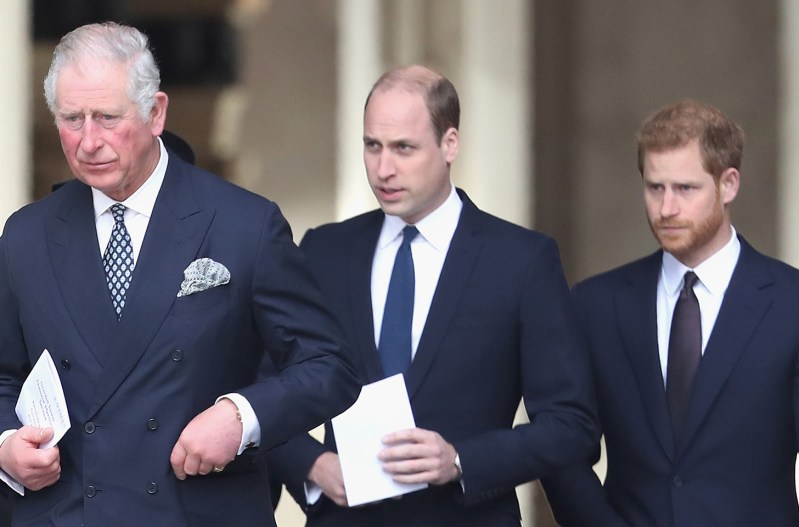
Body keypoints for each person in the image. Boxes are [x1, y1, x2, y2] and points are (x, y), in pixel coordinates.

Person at [0, 22, 359, 527]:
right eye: (71, 119)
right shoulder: (26, 236)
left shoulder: (245, 225)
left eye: (106, 117)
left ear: (156, 113)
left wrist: (241, 416)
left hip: (194, 511)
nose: (88, 140)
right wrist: (6, 445)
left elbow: (330, 366)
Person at [266, 64, 598, 526]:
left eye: (404, 148)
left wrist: (461, 460)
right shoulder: (325, 251)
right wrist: (313, 465)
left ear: (450, 145)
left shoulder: (523, 262)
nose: (384, 168)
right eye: (372, 146)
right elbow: (264, 388)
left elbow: (572, 427)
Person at [542, 99, 799, 526]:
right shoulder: (596, 304)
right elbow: (560, 444)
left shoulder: (791, 303)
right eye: (655, 187)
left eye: (685, 189)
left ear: (728, 184)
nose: (666, 209)